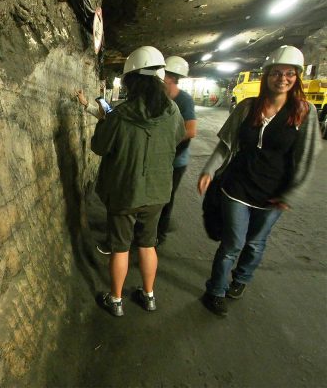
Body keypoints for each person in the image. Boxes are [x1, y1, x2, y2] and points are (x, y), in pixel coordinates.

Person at [197, 45, 321, 316]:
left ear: (297, 77)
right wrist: (209, 170)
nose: (283, 78)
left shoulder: (304, 112)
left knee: (255, 244)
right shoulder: (248, 107)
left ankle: (241, 280)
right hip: (237, 186)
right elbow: (225, 145)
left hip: (273, 193)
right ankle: (215, 291)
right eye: (277, 72)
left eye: (290, 73)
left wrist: (292, 193)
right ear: (266, 76)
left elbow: (307, 156)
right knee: (233, 244)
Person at [75, 46, 185, 316]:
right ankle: (148, 296)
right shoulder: (172, 112)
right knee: (148, 244)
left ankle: (116, 300)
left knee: (120, 247)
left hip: (125, 192)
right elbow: (179, 137)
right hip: (158, 192)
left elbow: (99, 146)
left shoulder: (121, 114)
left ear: (131, 81)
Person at [157, 56, 197, 244]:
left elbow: (190, 130)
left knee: (166, 197)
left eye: (162, 75)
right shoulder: (158, 97)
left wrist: (165, 142)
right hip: (157, 157)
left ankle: (160, 234)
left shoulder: (184, 100)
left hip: (176, 160)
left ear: (171, 78)